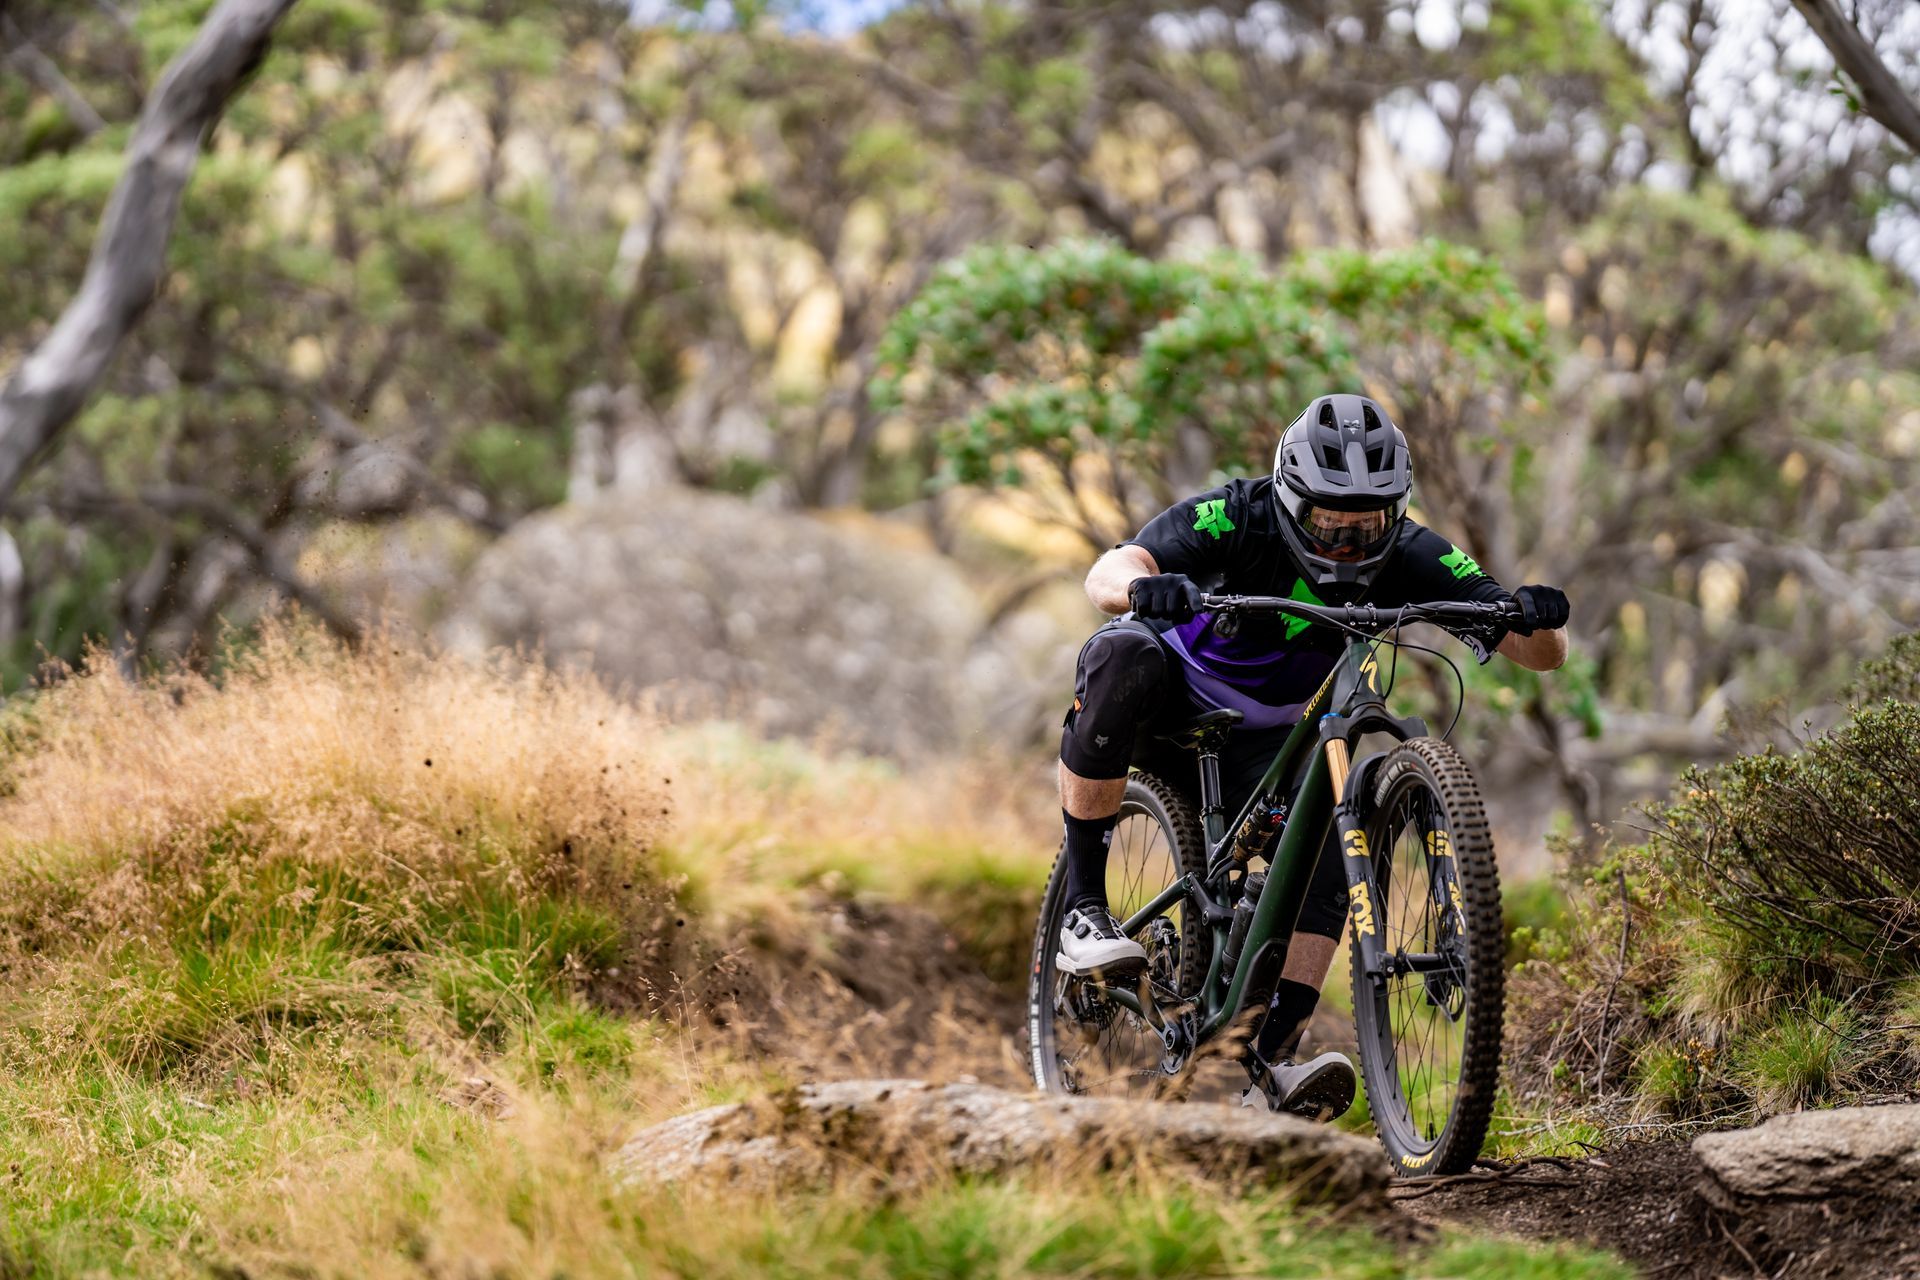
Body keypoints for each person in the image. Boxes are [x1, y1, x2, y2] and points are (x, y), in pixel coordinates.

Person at [1053, 392, 1571, 1118]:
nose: (1348, 545)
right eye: (1330, 525)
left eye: (1369, 527)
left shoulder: (1410, 550)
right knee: (1120, 653)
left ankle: (1272, 1060)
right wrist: (1143, 586)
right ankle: (1082, 913)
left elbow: (1537, 653)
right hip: (1171, 709)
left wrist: (1535, 614)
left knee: (1343, 814)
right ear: (1292, 500)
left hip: (1274, 742)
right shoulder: (1235, 515)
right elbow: (1110, 571)